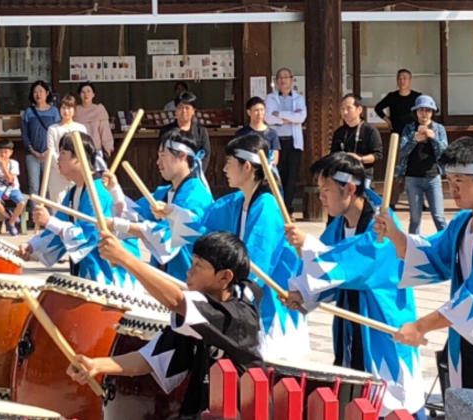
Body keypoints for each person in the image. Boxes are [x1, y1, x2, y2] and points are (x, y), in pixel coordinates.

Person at [283, 153, 426, 420]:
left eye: (326, 190)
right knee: (356, 397)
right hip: (351, 327)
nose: (321, 197)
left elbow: (356, 263)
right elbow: (327, 272)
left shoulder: (382, 224)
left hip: (383, 324)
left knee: (394, 401)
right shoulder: (338, 226)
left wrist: (309, 245)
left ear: (349, 188)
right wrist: (301, 294)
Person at [375, 136, 473, 392]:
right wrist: (395, 235)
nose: (452, 189)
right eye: (450, 180)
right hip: (465, 341)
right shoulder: (463, 221)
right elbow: (433, 256)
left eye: (460, 182)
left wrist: (420, 326)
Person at [67, 231, 264, 419]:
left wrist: (126, 259)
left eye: (198, 265)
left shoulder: (237, 317)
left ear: (224, 277)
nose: (189, 271)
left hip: (239, 412)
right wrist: (95, 365)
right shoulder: (197, 317)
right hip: (202, 410)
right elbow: (149, 360)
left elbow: (177, 301)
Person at [155, 134, 309, 361]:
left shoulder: (267, 207)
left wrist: (233, 305)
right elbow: (202, 226)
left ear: (247, 167)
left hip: (272, 307)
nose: (224, 168)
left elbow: (257, 264)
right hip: (250, 302)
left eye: (229, 162)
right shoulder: (237, 200)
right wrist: (172, 213)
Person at [18, 132, 140, 289]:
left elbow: (88, 234)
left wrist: (50, 221)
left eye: (62, 153)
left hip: (110, 274)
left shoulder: (98, 192)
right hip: (89, 268)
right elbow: (58, 229)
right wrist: (32, 246)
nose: (57, 158)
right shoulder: (74, 191)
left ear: (77, 157)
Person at [104, 128, 213, 281]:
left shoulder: (196, 196)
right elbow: (137, 215)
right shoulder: (163, 193)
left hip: (188, 278)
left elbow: (168, 235)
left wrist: (118, 225)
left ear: (182, 156)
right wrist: (114, 190)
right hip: (165, 276)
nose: (158, 162)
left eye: (163, 155)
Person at [397, 95, 448, 234]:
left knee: (439, 217)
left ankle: (447, 246)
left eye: (428, 110)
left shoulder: (438, 129)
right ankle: (413, 249)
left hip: (433, 177)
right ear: (416, 112)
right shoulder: (409, 129)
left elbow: (445, 151)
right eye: (421, 110)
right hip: (413, 178)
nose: (424, 113)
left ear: (432, 112)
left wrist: (434, 138)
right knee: (415, 218)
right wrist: (415, 139)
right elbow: (402, 151)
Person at [375, 69, 422, 210]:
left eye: (405, 78)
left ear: (410, 80)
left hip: (415, 137)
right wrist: (387, 120)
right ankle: (392, 201)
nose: (402, 81)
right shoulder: (392, 97)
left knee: (416, 169)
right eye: (400, 78)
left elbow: (431, 109)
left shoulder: (417, 97)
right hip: (398, 137)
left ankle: (420, 202)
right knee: (396, 170)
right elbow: (378, 108)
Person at [265, 68, 307, 218]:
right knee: (277, 175)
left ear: (292, 79)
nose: (283, 80)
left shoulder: (298, 98)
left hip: (293, 142)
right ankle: (276, 208)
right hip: (276, 143)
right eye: (280, 77)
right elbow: (269, 118)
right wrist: (290, 118)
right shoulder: (270, 98)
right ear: (276, 81)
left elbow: (301, 117)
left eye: (286, 77)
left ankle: (288, 209)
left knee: (291, 177)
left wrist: (281, 115)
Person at [21, 80, 61, 217]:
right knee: (34, 187)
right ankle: (35, 216)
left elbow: (57, 132)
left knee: (49, 186)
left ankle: (50, 216)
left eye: (41, 91)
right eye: (35, 92)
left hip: (49, 155)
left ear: (47, 93)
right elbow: (24, 134)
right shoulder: (28, 112)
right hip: (32, 155)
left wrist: (48, 151)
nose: (38, 94)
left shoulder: (54, 112)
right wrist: (32, 150)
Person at [330, 94, 383, 188]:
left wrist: (360, 159)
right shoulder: (339, 132)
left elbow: (377, 155)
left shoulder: (370, 130)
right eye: (342, 109)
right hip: (343, 177)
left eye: (349, 108)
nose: (345, 112)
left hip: (363, 176)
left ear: (359, 110)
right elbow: (334, 154)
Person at [46, 95, 88, 207]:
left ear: (74, 110)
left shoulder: (81, 128)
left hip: (76, 173)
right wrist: (62, 169)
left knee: (77, 204)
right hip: (57, 173)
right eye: (63, 108)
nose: (66, 111)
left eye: (69, 108)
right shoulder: (53, 129)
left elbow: (83, 151)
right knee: (58, 206)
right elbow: (52, 151)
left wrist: (73, 169)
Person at [159, 92, 211, 171]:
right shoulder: (166, 131)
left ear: (193, 111)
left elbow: (206, 154)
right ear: (176, 110)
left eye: (187, 108)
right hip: (172, 174)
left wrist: (197, 172)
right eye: (180, 107)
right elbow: (162, 153)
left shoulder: (201, 131)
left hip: (195, 173)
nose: (184, 111)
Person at [75, 81, 114, 171]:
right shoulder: (76, 110)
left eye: (88, 91)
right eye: (83, 92)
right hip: (80, 150)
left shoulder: (99, 109)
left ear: (93, 94)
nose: (86, 94)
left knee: (98, 176)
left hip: (96, 150)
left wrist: (108, 147)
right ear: (79, 95)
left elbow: (105, 130)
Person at [236, 97, 281, 165]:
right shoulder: (241, 133)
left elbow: (274, 157)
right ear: (249, 112)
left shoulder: (272, 133)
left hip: (266, 170)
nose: (260, 113)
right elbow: (237, 155)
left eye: (262, 110)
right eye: (256, 110)